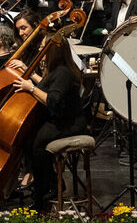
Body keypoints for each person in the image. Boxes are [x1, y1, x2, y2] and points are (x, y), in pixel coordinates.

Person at [10, 37, 88, 211]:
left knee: (37, 143)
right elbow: (47, 85)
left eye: (43, 46)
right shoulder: (57, 71)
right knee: (28, 139)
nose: (40, 49)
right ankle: (49, 184)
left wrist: (30, 88)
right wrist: (29, 74)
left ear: (53, 51)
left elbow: (52, 100)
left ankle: (45, 191)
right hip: (60, 119)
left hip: (71, 122)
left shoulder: (63, 73)